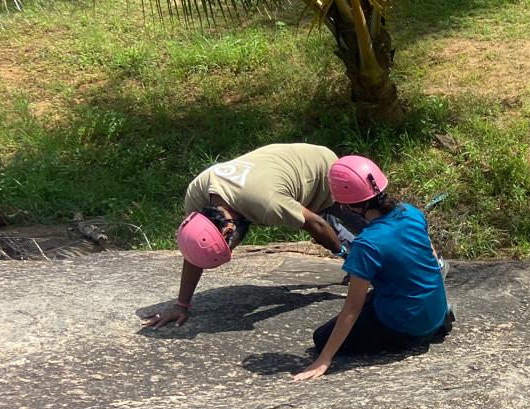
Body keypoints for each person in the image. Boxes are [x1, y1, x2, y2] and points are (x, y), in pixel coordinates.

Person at [142, 143, 361, 329]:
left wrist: (343, 255)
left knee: (366, 224)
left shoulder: (267, 204)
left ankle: (366, 262)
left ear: (229, 231)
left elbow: (317, 225)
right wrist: (181, 305)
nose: (233, 249)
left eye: (230, 246)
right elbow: (195, 247)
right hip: (279, 174)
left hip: (320, 169)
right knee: (330, 228)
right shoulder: (197, 197)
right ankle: (359, 258)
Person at [294, 155, 451, 382]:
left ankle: (416, 332)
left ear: (347, 205)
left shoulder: (367, 244)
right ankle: (433, 320)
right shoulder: (411, 213)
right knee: (377, 296)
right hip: (436, 312)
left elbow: (352, 308)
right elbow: (433, 258)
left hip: (406, 328)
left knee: (321, 337)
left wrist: (325, 358)